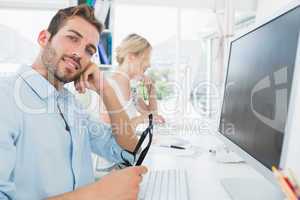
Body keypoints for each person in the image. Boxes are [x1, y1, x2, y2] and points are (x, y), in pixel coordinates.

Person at [0, 5, 147, 200]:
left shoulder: (71, 105)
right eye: (73, 38)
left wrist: (105, 89)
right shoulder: (6, 97)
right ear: (44, 38)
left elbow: (128, 149)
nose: (79, 53)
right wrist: (99, 193)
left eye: (89, 50)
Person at [101, 34, 165, 129]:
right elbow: (107, 133)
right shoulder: (108, 87)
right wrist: (140, 119)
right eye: (146, 58)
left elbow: (152, 118)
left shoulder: (132, 91)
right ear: (131, 57)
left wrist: (151, 90)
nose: (149, 64)